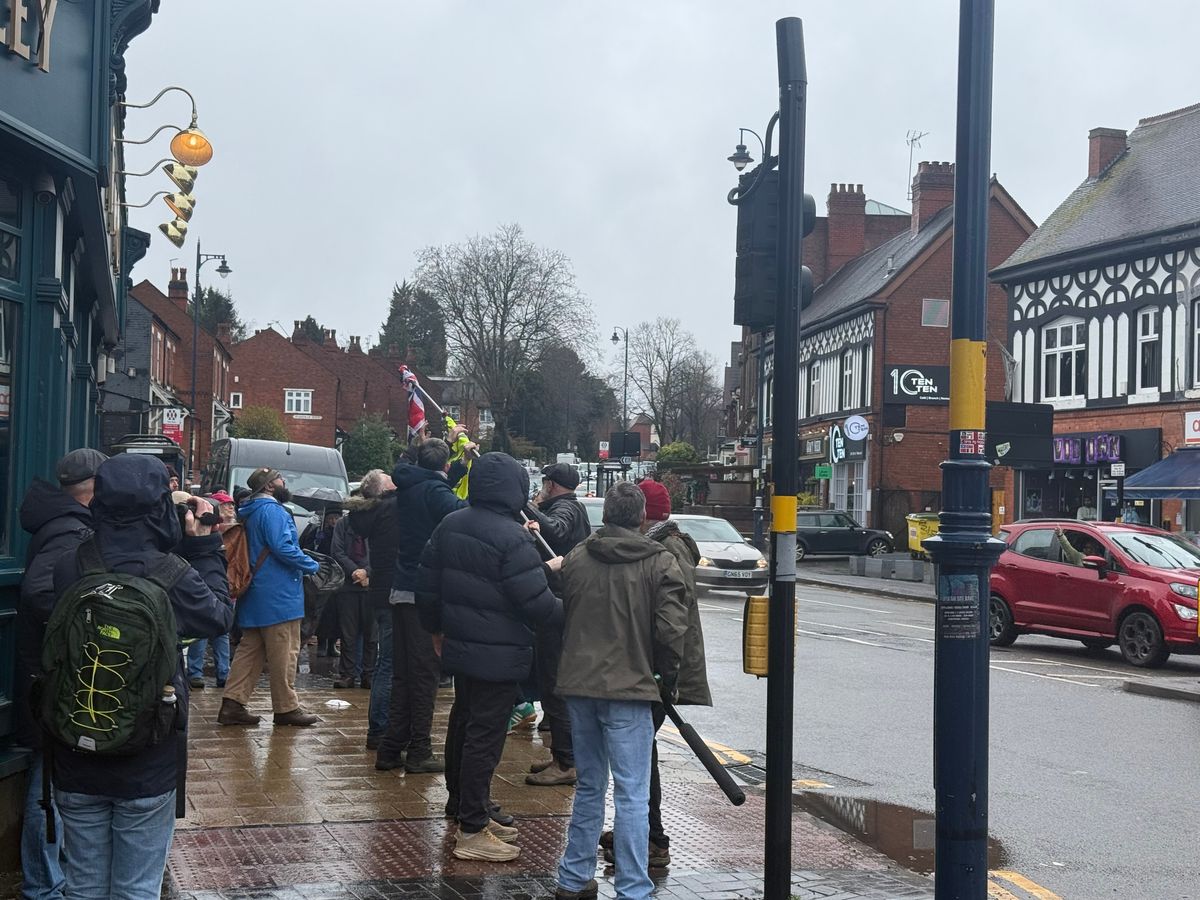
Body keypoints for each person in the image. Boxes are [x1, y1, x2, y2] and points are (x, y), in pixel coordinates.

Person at [47, 454, 232, 900]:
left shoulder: (72, 564)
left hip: (75, 749)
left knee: (83, 885)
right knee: (136, 889)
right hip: (147, 758)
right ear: (161, 507)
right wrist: (205, 546)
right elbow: (219, 617)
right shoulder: (173, 574)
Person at [416, 452, 562, 862]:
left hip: (460, 646)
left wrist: (435, 630)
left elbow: (426, 585)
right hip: (499, 653)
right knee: (485, 737)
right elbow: (535, 603)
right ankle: (473, 829)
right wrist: (573, 610)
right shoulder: (513, 536)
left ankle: (464, 806)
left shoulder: (450, 524)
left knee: (463, 724)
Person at [553, 481, 688, 900]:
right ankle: (632, 887)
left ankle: (574, 876)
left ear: (606, 516)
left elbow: (564, 610)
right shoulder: (660, 562)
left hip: (580, 685)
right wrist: (666, 680)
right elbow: (671, 633)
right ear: (643, 517)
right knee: (632, 793)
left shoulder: (577, 557)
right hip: (631, 688)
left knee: (590, 785)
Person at [599, 478, 711, 869]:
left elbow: (670, 624)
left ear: (646, 515)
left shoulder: (665, 552)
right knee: (639, 755)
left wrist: (666, 677)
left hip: (654, 672)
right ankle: (639, 830)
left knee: (640, 758)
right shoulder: (665, 546)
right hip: (650, 669)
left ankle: (653, 839)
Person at [15, 448, 106, 900]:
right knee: (46, 785)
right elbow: (39, 591)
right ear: (95, 488)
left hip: (45, 674)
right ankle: (44, 888)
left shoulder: (63, 522)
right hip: (52, 678)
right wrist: (85, 625)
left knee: (49, 778)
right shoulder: (72, 529)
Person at [376, 438, 470, 773]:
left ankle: (390, 749)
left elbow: (434, 485)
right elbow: (462, 510)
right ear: (443, 465)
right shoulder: (432, 490)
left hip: (402, 589)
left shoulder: (409, 483)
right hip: (425, 594)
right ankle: (419, 750)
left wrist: (457, 465)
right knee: (425, 676)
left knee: (404, 675)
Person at [218, 468, 320, 727]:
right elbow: (283, 547)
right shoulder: (274, 511)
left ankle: (232, 704)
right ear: (270, 486)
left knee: (250, 651)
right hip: (279, 594)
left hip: (254, 592)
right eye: (279, 478)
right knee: (285, 652)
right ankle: (286, 708)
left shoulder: (248, 511)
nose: (284, 481)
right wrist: (311, 565)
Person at [522, 462, 591, 787]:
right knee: (552, 681)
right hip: (563, 602)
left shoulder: (566, 508)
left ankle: (566, 762)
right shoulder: (570, 506)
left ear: (551, 484)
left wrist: (529, 508)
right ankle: (561, 755)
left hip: (558, 604)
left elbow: (558, 530)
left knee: (555, 682)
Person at [347, 468, 400, 749]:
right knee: (388, 665)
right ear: (383, 489)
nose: (394, 477)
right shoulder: (390, 509)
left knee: (384, 664)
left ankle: (380, 728)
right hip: (392, 594)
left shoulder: (372, 513)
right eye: (387, 476)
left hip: (380, 593)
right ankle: (380, 729)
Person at [330, 505, 376, 690]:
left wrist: (367, 572)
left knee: (372, 634)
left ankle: (369, 674)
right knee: (348, 633)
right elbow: (337, 551)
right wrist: (355, 571)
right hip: (347, 586)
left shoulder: (377, 522)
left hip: (372, 586)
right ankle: (347, 674)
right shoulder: (343, 524)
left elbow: (384, 551)